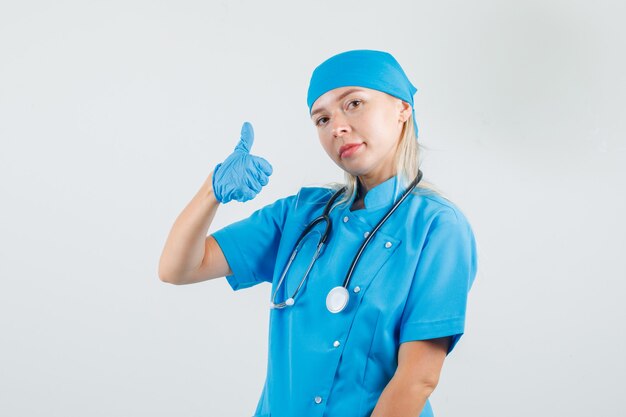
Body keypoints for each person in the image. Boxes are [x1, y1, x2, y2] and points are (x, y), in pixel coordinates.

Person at [159, 49, 478, 417]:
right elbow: (177, 268)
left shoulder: (437, 227)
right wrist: (211, 192)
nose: (337, 127)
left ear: (402, 108)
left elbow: (417, 378)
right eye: (322, 119)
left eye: (354, 103)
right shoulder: (301, 214)